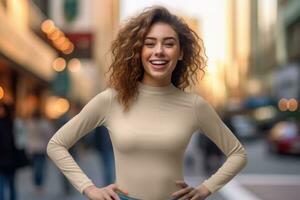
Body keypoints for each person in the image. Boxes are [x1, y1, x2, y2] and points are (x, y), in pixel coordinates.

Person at [47, 6, 247, 200]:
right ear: (138, 51)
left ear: (181, 53)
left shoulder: (195, 106)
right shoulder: (110, 100)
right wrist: (89, 188)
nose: (158, 51)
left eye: (169, 44)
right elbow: (56, 145)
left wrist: (206, 189)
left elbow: (238, 154)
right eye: (149, 43)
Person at [0, 102, 17, 200]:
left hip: (11, 158)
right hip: (3, 158)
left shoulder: (12, 124)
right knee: (1, 183)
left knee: (11, 183)